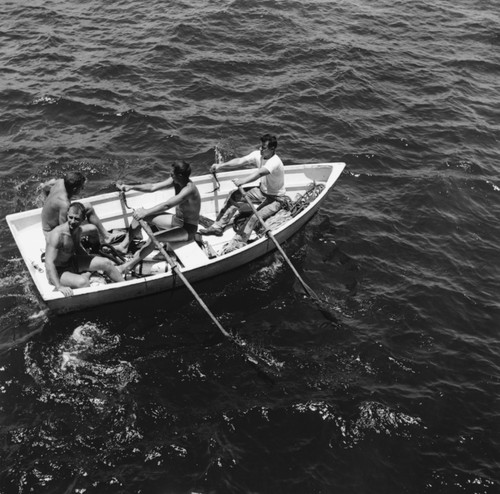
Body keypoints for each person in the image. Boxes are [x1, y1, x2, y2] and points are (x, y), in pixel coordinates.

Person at [116, 160, 201, 274]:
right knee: (138, 215)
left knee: (154, 238)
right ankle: (123, 246)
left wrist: (146, 212)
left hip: (187, 228)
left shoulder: (189, 190)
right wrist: (131, 187)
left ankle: (127, 266)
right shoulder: (177, 181)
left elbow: (168, 205)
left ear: (179, 175)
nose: (170, 176)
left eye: (172, 174)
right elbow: (153, 187)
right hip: (176, 220)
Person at [200, 134, 286, 242]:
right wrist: (220, 166)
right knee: (235, 196)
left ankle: (239, 242)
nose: (260, 149)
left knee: (254, 218)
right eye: (261, 146)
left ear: (272, 149)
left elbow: (259, 173)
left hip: (276, 198)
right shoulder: (258, 155)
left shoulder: (275, 162)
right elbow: (240, 161)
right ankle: (218, 227)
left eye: (264, 148)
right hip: (262, 192)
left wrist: (242, 181)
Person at [44, 202, 125, 297]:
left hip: (71, 262)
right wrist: (59, 286)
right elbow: (49, 263)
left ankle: (126, 286)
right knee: (83, 282)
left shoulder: (77, 230)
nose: (72, 221)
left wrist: (90, 262)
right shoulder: (57, 235)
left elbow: (78, 247)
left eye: (77, 219)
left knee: (106, 263)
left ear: (83, 219)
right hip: (58, 272)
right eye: (70, 217)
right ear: (67, 215)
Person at [41, 171, 119, 244]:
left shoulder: (60, 182)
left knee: (88, 207)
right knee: (92, 229)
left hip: (49, 225)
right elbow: (65, 230)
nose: (83, 189)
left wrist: (48, 202)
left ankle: (106, 236)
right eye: (81, 187)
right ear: (74, 189)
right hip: (51, 234)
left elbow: (44, 186)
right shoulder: (64, 204)